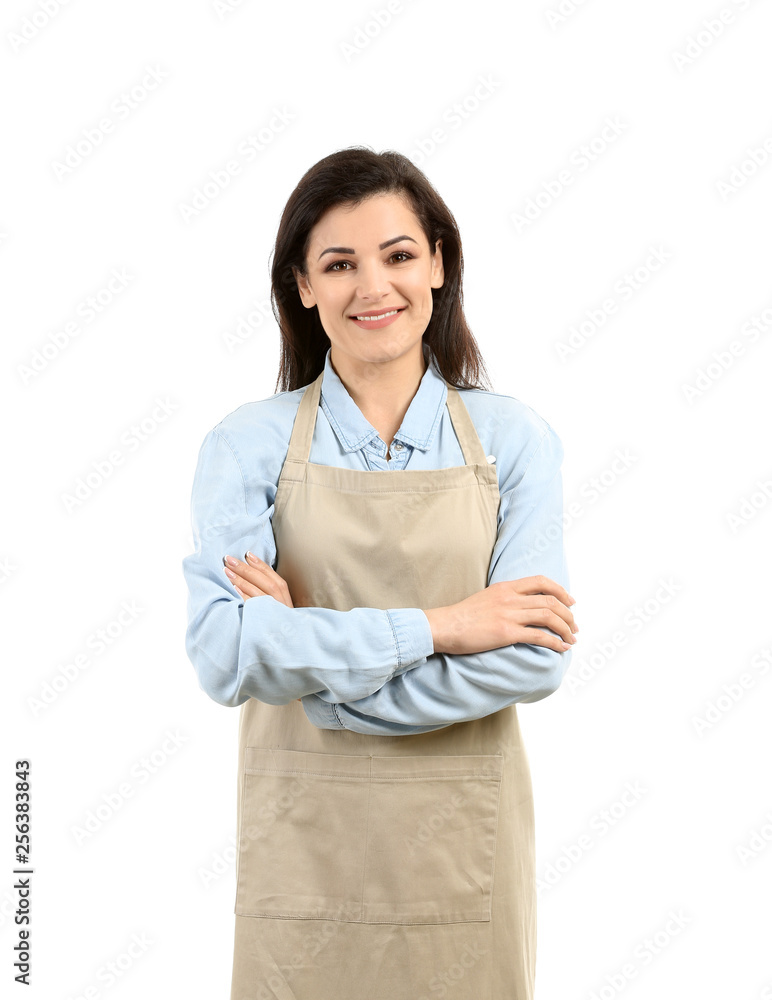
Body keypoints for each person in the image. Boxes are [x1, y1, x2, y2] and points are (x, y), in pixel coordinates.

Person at [181, 146, 579, 1000]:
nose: (374, 287)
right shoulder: (246, 445)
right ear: (302, 285)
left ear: (437, 262)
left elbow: (533, 657)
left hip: (465, 856)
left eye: (398, 255)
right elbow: (224, 655)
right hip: (305, 852)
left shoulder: (513, 441)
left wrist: (319, 680)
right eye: (339, 264)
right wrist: (445, 626)